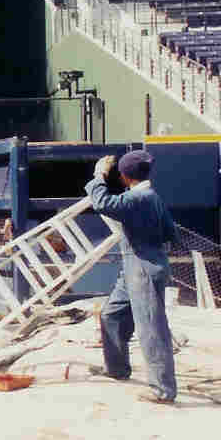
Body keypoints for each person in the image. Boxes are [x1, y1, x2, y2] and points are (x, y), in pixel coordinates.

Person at [85, 150, 180, 404]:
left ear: (125, 177)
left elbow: (103, 203)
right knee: (111, 315)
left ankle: (162, 390)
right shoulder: (151, 197)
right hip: (138, 264)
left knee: (151, 328)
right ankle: (116, 369)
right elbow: (172, 233)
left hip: (143, 267)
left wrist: (98, 176)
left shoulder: (141, 198)